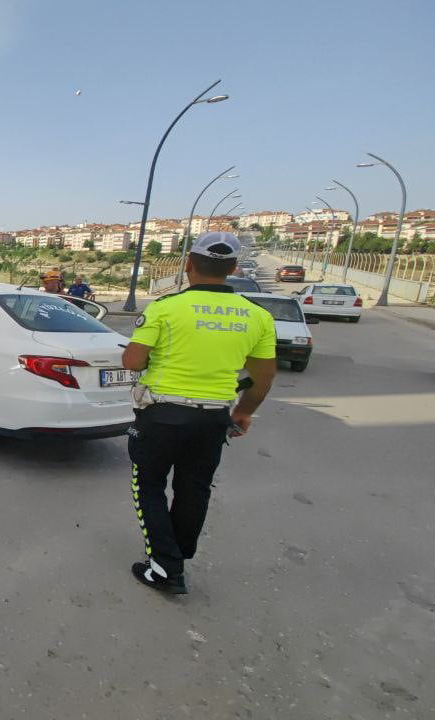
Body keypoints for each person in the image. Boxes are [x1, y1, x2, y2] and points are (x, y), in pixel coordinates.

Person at [120, 232, 277, 595]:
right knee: (195, 488)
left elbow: (132, 361)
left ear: (188, 264)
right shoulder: (258, 317)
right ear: (233, 268)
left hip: (161, 415)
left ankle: (164, 568)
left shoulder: (165, 308)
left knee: (148, 486)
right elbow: (263, 377)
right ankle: (177, 554)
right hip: (213, 419)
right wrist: (243, 413)